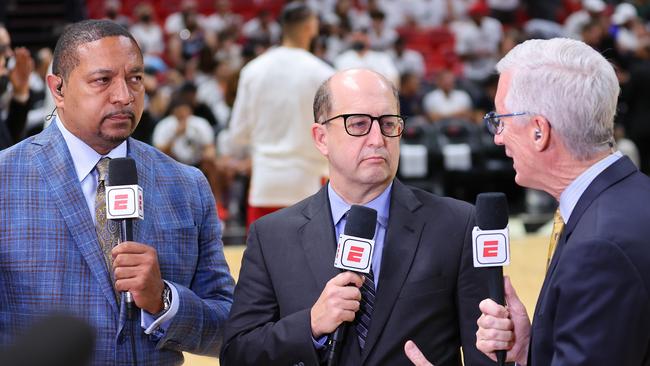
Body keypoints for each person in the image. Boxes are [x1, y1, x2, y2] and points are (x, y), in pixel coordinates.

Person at [0, 19, 234, 365]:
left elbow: (229, 328)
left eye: (135, 79)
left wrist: (164, 300)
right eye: (102, 80)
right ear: (58, 89)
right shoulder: (6, 178)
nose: (124, 96)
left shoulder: (187, 185)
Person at [220, 68, 492, 365]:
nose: (378, 139)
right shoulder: (271, 236)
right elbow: (237, 352)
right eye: (359, 124)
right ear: (321, 138)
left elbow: (487, 353)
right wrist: (310, 325)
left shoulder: (458, 224)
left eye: (388, 123)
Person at [409, 38, 650, 365]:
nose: (497, 137)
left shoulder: (598, 248)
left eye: (501, 120)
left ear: (539, 131)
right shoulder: (631, 198)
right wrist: (529, 352)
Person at [218, 3, 335, 227]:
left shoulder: (253, 70)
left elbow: (238, 135)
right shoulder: (324, 73)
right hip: (310, 182)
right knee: (312, 259)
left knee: (264, 259)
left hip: (266, 182)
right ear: (311, 27)